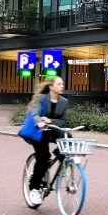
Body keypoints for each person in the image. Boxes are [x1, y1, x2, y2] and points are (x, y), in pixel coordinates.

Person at [25, 77, 68, 206]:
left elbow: (63, 121)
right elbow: (35, 114)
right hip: (40, 130)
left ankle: (59, 155)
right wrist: (40, 123)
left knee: (68, 138)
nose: (62, 86)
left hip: (52, 128)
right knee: (43, 157)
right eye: (59, 84)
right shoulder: (42, 98)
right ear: (51, 86)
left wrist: (51, 121)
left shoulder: (64, 101)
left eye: (62, 84)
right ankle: (34, 189)